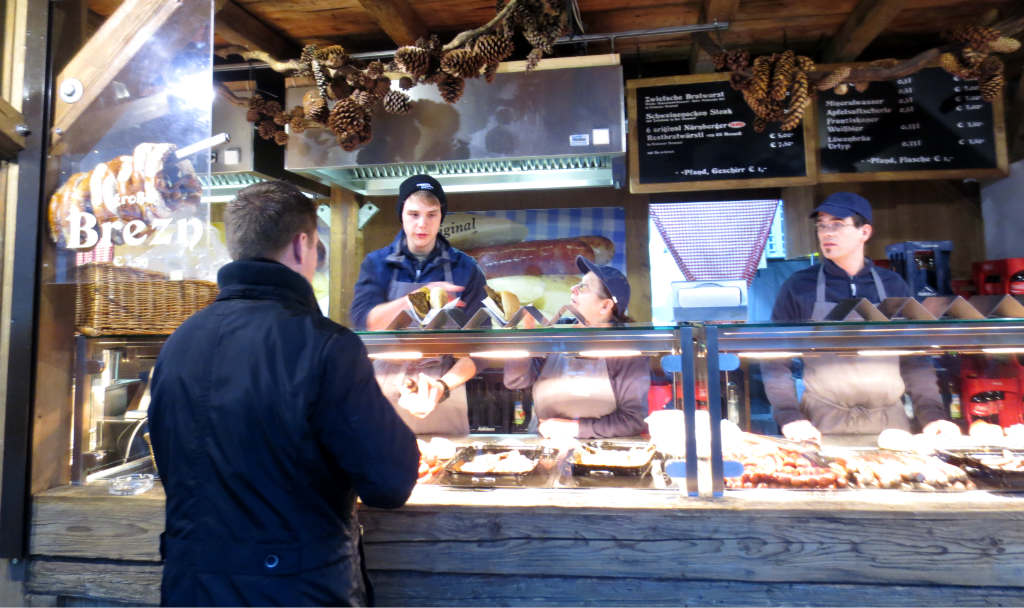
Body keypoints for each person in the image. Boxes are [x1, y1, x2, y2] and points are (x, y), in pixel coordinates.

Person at [148, 180, 419, 606]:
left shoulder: (179, 342)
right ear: (302, 245)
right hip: (294, 590)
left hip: (190, 588)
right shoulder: (326, 345)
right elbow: (391, 482)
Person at [763, 191, 961, 443]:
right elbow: (773, 359)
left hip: (892, 425)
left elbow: (914, 358)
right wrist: (789, 416)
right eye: (821, 226)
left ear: (864, 232)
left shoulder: (893, 285)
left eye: (837, 225)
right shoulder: (799, 286)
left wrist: (932, 415)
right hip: (821, 423)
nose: (826, 233)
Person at [350, 174, 487, 435]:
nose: (422, 224)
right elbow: (364, 323)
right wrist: (417, 298)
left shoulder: (466, 268)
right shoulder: (376, 264)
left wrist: (442, 387)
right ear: (401, 213)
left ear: (441, 216)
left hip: (442, 390)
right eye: (413, 214)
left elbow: (479, 347)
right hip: (384, 393)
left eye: (431, 214)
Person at [504, 256, 651, 439]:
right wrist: (524, 339)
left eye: (584, 287)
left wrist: (575, 429)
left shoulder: (625, 350)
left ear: (605, 306)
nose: (573, 289)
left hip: (604, 453)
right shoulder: (555, 333)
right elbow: (515, 382)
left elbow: (633, 420)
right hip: (546, 448)